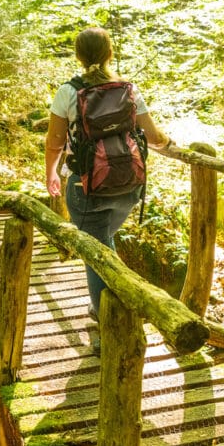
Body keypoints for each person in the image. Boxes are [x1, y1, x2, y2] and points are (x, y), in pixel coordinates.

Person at [45, 27, 174, 348]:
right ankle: (101, 307)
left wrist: (51, 172)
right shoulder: (129, 90)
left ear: (77, 55)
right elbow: (154, 138)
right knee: (103, 242)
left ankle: (111, 327)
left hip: (86, 187)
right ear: (109, 53)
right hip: (129, 184)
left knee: (98, 252)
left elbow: (54, 142)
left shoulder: (67, 92)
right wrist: (170, 144)